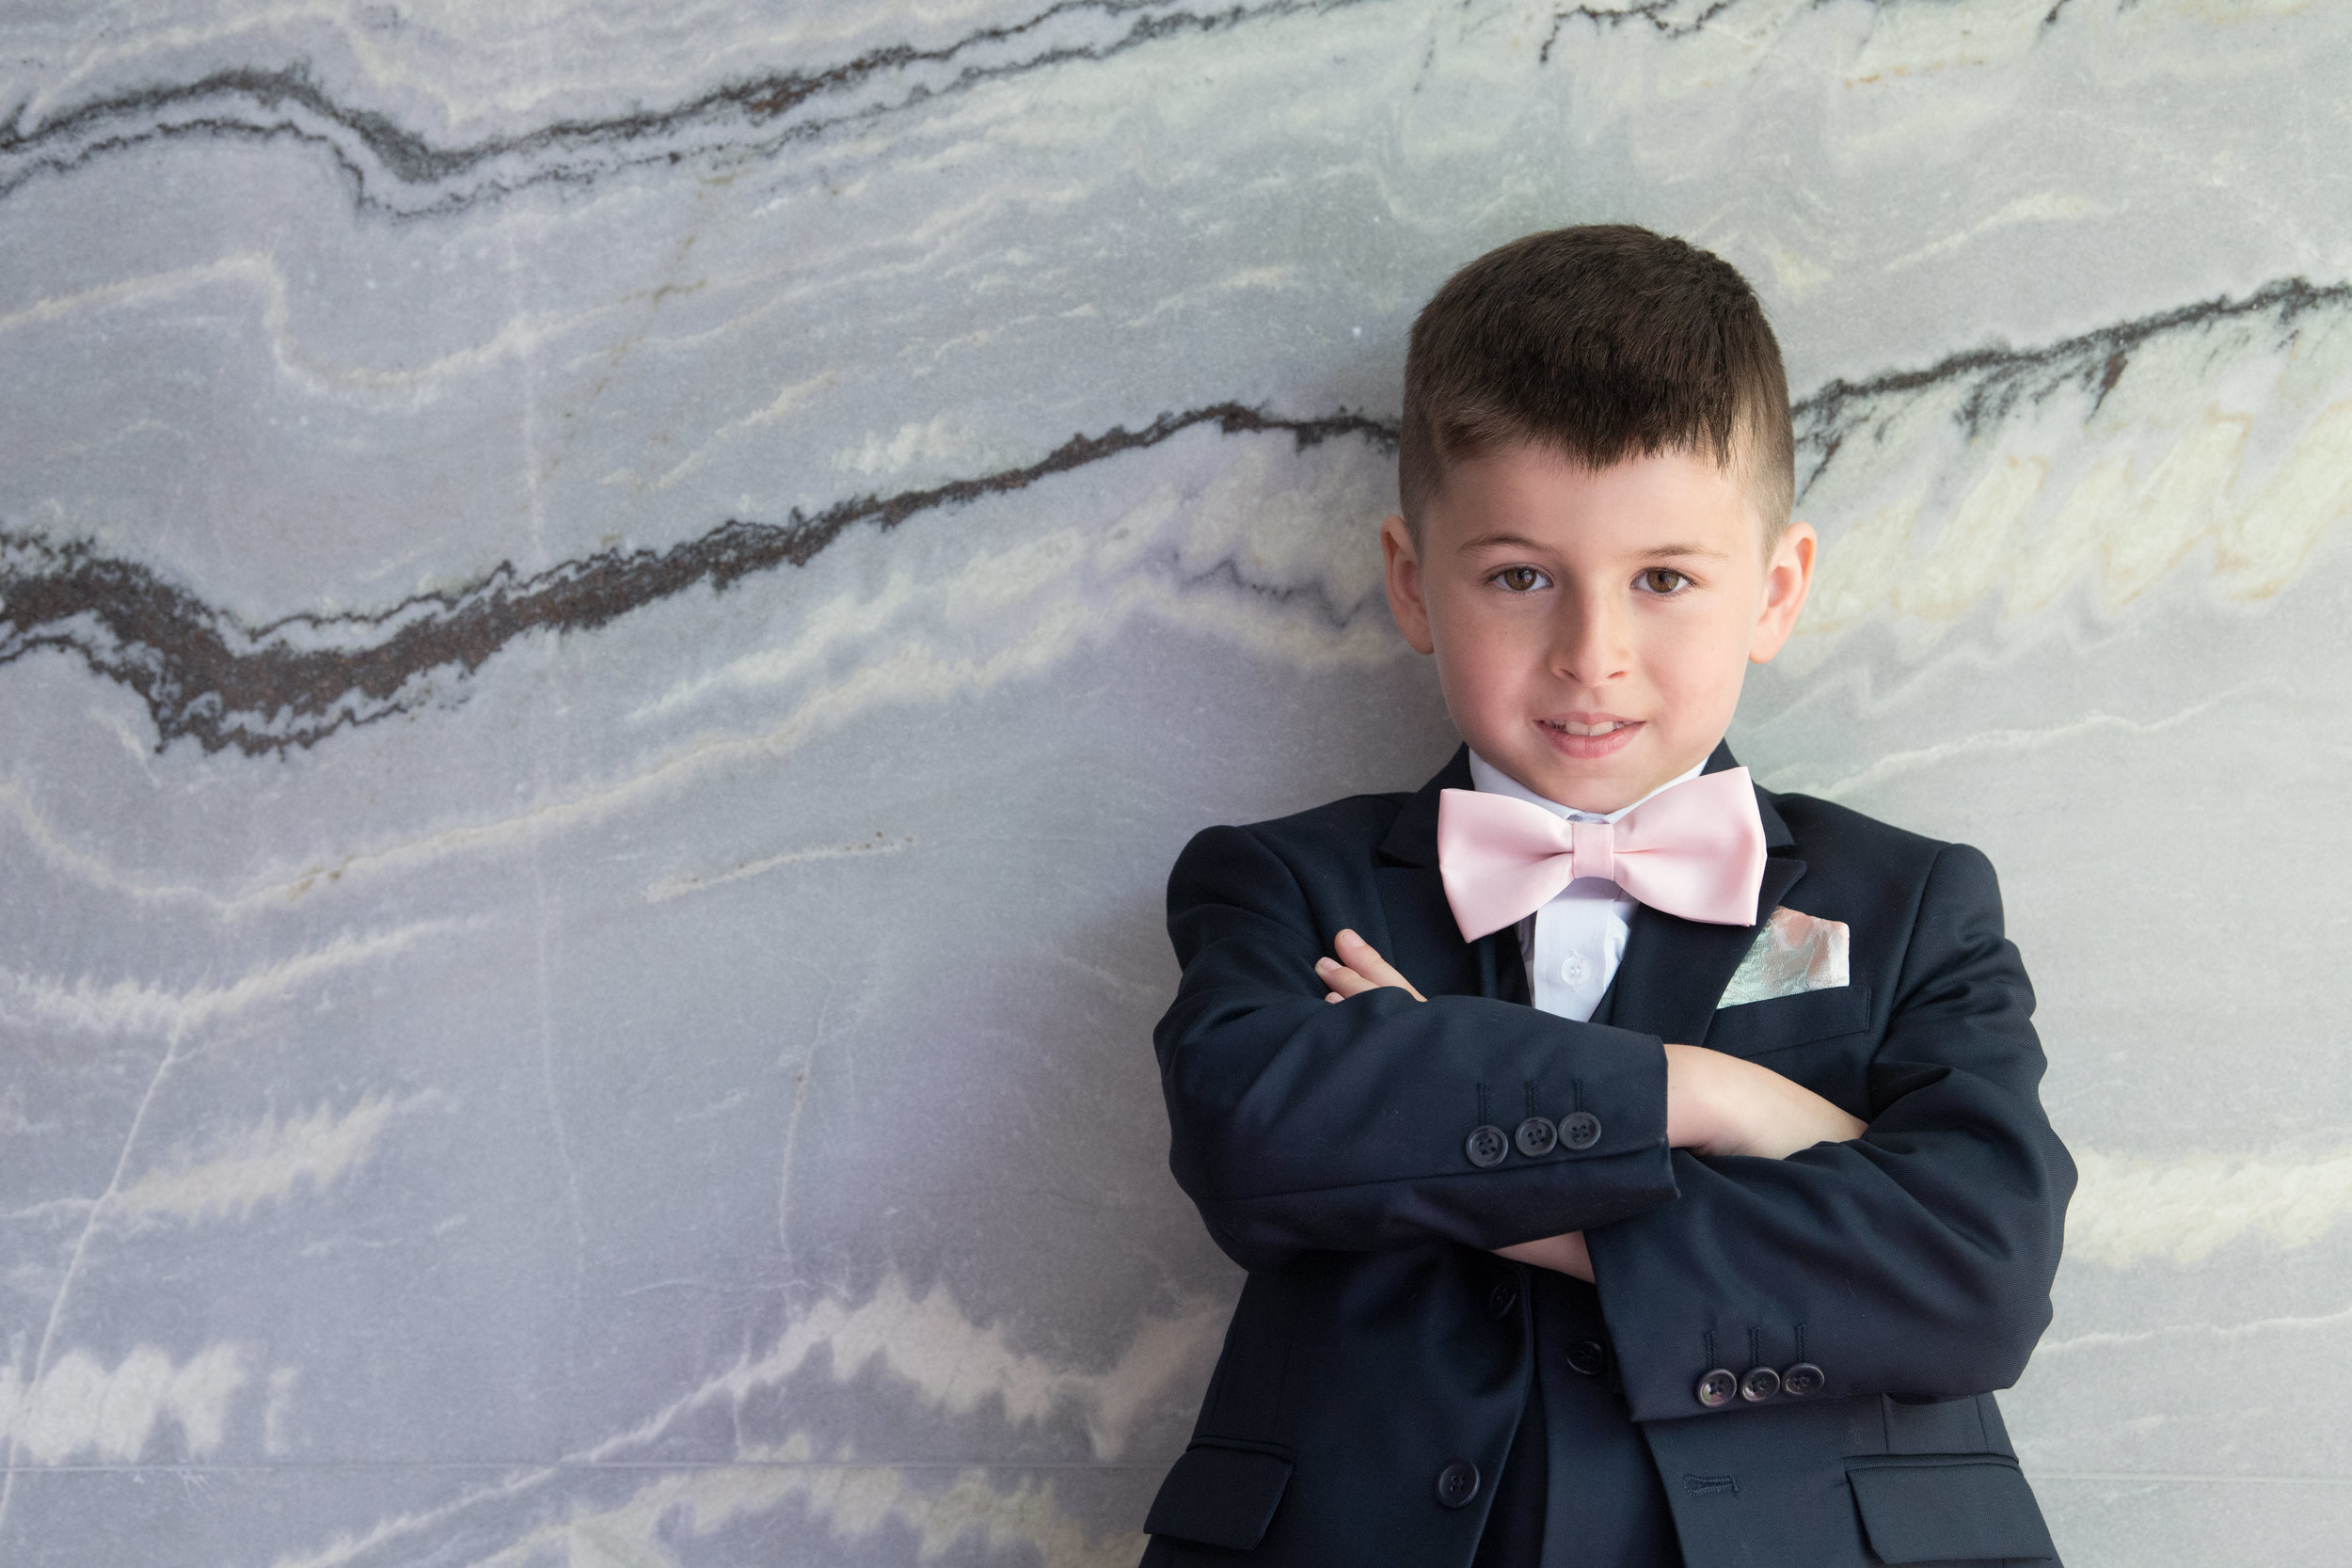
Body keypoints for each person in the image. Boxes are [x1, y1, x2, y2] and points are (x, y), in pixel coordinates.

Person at [1136, 226, 2074, 1568]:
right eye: (1520, 576)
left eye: (1665, 579)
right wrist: (1715, 1098)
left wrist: (1427, 1108)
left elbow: (1976, 1275)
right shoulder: (1285, 882)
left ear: (1776, 592)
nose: (1594, 654)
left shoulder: (1917, 900)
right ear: (1414, 583)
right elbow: (1256, 1141)